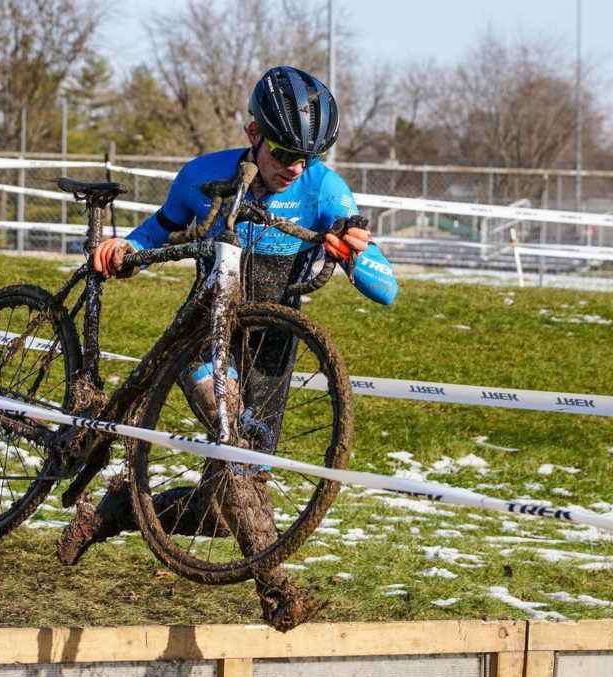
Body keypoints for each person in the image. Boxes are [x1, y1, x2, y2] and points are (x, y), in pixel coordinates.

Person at [57, 66, 398, 630]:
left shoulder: (322, 187)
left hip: (272, 352)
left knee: (227, 506)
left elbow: (387, 290)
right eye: (284, 150)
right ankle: (276, 589)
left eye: (306, 156)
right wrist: (124, 245)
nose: (294, 166)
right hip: (206, 343)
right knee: (238, 463)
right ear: (252, 133)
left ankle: (116, 511)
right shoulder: (201, 175)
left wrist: (354, 251)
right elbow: (159, 228)